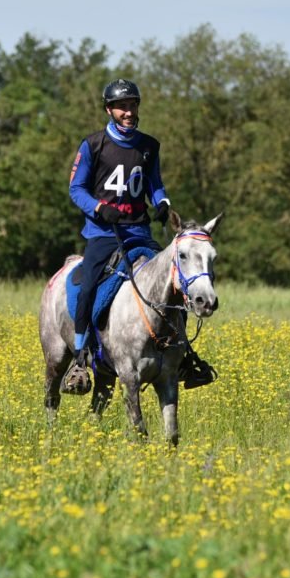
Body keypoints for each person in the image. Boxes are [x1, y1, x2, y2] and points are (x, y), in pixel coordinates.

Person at [62, 79, 215, 394]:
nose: (129, 112)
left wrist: (162, 202)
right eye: (122, 107)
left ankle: (184, 355)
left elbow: (154, 184)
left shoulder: (149, 146)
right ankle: (79, 356)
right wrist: (99, 208)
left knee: (174, 284)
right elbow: (76, 189)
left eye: (133, 105)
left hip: (139, 232)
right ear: (109, 110)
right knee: (88, 286)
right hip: (104, 232)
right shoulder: (92, 145)